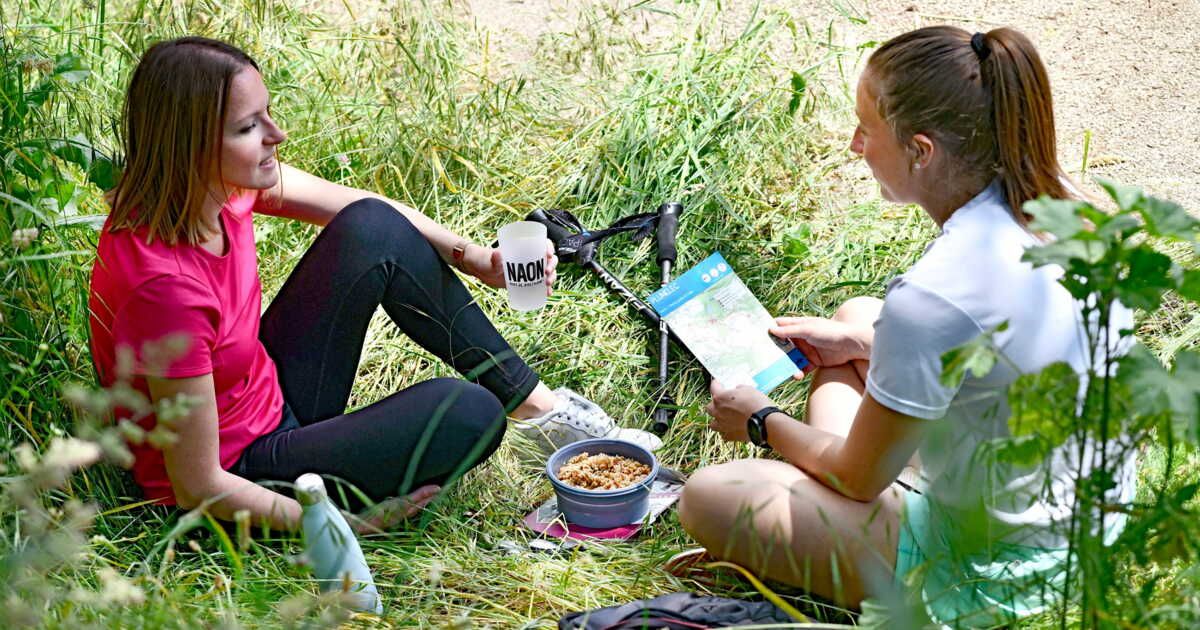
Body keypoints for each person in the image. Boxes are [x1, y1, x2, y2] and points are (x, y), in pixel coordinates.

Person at [88, 36, 660, 534]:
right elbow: (197, 485)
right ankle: (322, 491)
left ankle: (540, 412)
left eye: (267, 114)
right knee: (465, 413)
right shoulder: (164, 287)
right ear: (189, 147)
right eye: (248, 128)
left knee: (372, 228)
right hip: (241, 472)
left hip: (265, 396)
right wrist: (339, 524)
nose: (276, 135)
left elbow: (367, 212)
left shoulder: (216, 187)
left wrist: (476, 257)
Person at [676, 26, 1134, 626]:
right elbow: (994, 347)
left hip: (997, 575)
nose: (852, 145)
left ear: (921, 151)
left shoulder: (935, 292)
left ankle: (825, 541)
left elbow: (860, 479)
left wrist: (760, 420)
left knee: (710, 497)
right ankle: (818, 516)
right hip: (1082, 525)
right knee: (859, 318)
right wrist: (867, 343)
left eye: (866, 130)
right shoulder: (1065, 207)